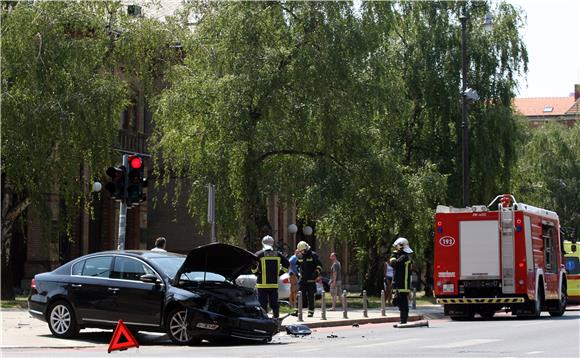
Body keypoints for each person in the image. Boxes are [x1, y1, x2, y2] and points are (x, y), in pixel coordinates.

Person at [252, 235, 289, 318]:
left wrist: (257, 273)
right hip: (273, 284)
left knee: (262, 304)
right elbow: (287, 264)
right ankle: (276, 319)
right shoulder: (277, 254)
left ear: (262, 243)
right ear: (272, 243)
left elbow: (252, 265)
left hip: (262, 284)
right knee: (274, 303)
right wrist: (279, 273)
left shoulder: (259, 254)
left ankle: (264, 320)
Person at [389, 237, 413, 324]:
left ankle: (403, 320)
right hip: (398, 282)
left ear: (401, 247)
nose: (395, 248)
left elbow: (394, 264)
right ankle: (403, 320)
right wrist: (394, 255)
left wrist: (394, 255)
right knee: (398, 302)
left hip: (403, 284)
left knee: (403, 303)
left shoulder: (404, 257)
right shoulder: (400, 256)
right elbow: (393, 262)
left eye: (397, 247)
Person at [296, 241, 322, 317]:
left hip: (311, 279)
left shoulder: (313, 255)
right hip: (303, 279)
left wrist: (316, 273)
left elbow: (319, 265)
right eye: (300, 251)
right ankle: (297, 310)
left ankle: (311, 311)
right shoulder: (301, 256)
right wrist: (299, 271)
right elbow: (297, 265)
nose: (301, 252)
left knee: (310, 296)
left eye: (302, 251)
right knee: (300, 295)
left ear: (306, 249)